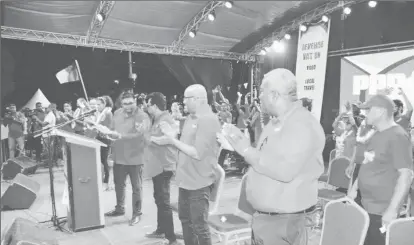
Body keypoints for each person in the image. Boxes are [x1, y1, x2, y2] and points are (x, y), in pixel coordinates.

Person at [221, 68, 325, 245]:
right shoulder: (277, 122)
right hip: (267, 219)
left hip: (282, 222)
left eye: (262, 91)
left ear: (275, 95)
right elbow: (266, 159)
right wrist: (239, 146)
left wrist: (246, 150)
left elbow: (284, 171)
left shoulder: (301, 124)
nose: (258, 97)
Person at [152, 84, 221, 245]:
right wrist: (156, 139)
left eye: (185, 98)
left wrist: (171, 140)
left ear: (197, 99)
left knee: (199, 226)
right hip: (186, 180)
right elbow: (181, 142)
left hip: (199, 182)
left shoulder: (208, 120)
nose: (183, 101)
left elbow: (197, 153)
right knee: (185, 220)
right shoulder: (191, 118)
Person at [348, 94, 413, 245]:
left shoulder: (398, 136)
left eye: (368, 110)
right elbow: (367, 162)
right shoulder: (377, 133)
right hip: (366, 206)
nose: (365, 114)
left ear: (380, 112)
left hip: (382, 210)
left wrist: (392, 210)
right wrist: (354, 188)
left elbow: (406, 175)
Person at [104, 91, 151, 226]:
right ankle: (119, 208)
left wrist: (120, 136)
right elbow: (112, 129)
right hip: (119, 156)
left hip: (136, 157)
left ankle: (137, 213)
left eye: (130, 103)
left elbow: (141, 135)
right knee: (119, 184)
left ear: (135, 102)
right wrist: (109, 134)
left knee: (136, 187)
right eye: (125, 103)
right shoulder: (117, 113)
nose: (128, 106)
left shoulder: (142, 116)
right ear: (121, 103)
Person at [144, 92, 179, 245]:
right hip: (157, 165)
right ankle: (161, 229)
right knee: (158, 198)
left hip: (165, 165)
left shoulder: (166, 119)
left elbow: (171, 138)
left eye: (148, 104)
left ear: (155, 106)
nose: (146, 107)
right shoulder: (156, 119)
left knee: (163, 201)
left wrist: (152, 138)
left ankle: (171, 238)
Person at [95, 97, 113, 191]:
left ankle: (106, 183)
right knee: (101, 160)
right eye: (96, 104)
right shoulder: (101, 114)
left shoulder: (108, 113)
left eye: (99, 104)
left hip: (105, 139)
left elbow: (108, 128)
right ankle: (102, 181)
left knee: (104, 160)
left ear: (104, 104)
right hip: (99, 138)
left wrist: (96, 126)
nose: (97, 106)